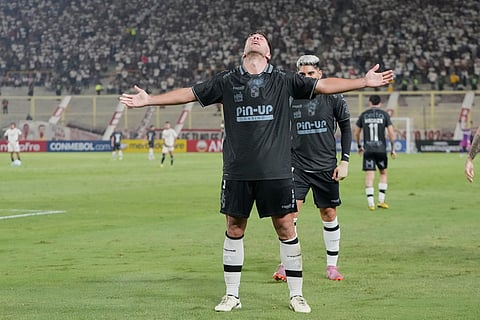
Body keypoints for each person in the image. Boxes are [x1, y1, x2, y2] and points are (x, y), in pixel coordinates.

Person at [120, 31, 393, 314]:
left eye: (261, 37)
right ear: (244, 52)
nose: (255, 37)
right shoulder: (226, 80)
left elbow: (323, 85)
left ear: (269, 53)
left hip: (276, 172)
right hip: (237, 172)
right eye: (252, 37)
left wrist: (363, 81)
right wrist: (149, 100)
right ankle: (231, 295)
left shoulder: (284, 79)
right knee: (234, 228)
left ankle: (297, 295)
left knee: (286, 227)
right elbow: (189, 93)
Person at [273, 55, 351, 283]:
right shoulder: (289, 98)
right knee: (288, 216)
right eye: (302, 75)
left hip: (326, 167)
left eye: (310, 74)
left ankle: (332, 266)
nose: (306, 78)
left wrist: (344, 161)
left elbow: (346, 128)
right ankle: (286, 264)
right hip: (296, 167)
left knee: (329, 214)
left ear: (319, 75)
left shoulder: (333, 97)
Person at [354, 95, 396, 211]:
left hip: (368, 150)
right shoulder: (384, 115)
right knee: (383, 173)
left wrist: (359, 146)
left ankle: (371, 203)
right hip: (381, 149)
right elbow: (391, 133)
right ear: (380, 103)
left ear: (369, 103)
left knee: (369, 176)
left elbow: (356, 133)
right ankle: (381, 201)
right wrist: (393, 148)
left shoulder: (364, 115)